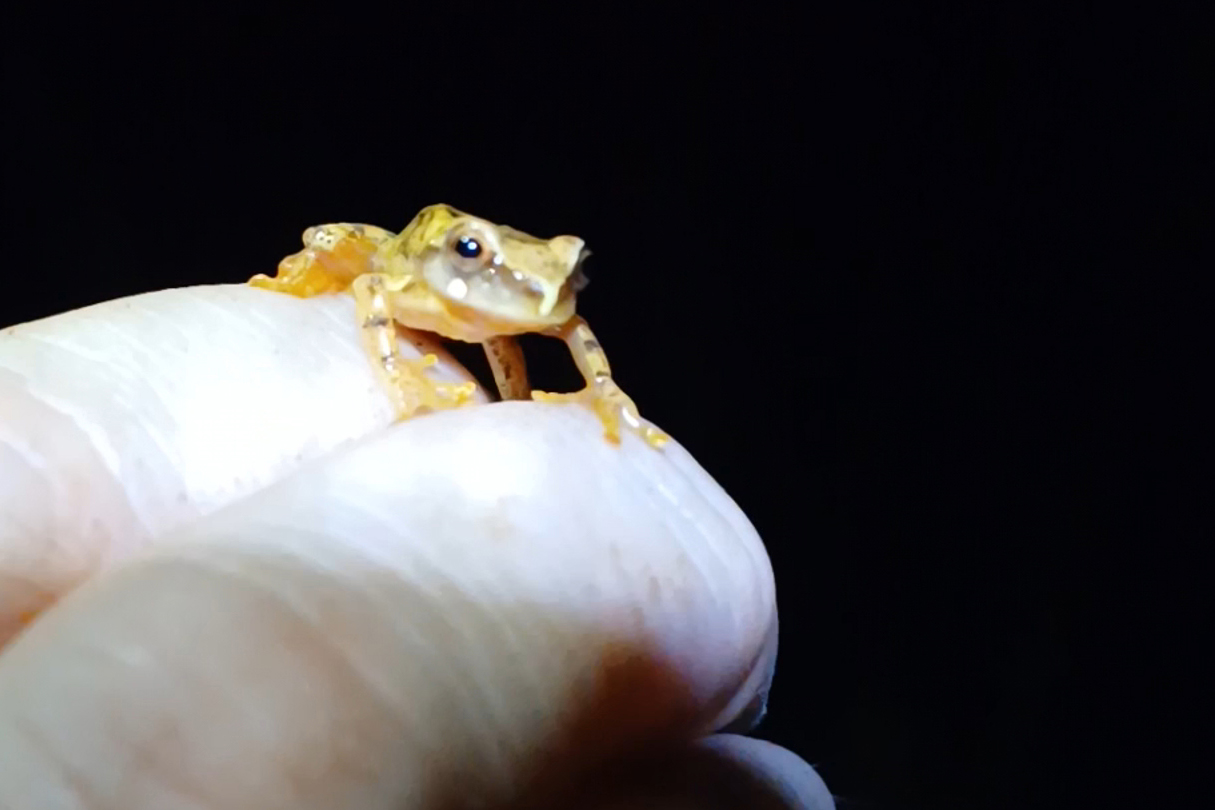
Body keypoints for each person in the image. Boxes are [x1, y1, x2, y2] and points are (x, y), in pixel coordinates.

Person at [0, 285, 834, 809]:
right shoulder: (407, 279)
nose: (549, 293)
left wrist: (597, 399)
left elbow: (552, 331)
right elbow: (370, 281)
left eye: (571, 270)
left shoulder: (532, 301)